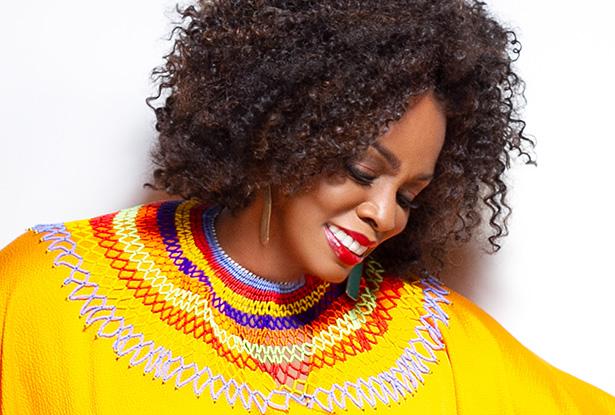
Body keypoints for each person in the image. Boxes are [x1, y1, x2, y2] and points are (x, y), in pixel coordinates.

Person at [0, 0, 613, 413]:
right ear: (279, 131)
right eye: (362, 171)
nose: (387, 215)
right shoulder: (51, 291)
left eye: (408, 196)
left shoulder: (429, 339)